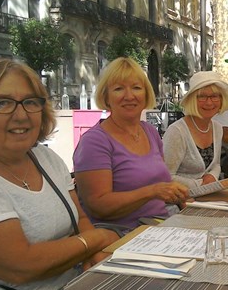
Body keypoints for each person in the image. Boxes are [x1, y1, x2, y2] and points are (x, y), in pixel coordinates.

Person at [0, 59, 174, 290]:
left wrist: (93, 251)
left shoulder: (45, 158)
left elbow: (79, 215)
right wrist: (97, 239)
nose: (21, 115)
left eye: (31, 102)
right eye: (3, 103)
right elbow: (20, 265)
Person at [73, 57, 189, 231]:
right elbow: (98, 206)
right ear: (106, 96)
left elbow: (163, 185)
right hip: (121, 235)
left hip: (160, 225)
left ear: (146, 94)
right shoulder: (94, 142)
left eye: (136, 88)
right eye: (119, 89)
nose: (129, 96)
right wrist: (152, 191)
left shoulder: (149, 131)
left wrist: (184, 202)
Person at [163, 71, 228, 188]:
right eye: (202, 96)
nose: (209, 102)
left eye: (214, 96)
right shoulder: (177, 131)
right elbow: (165, 177)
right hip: (177, 201)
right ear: (192, 100)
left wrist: (212, 176)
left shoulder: (217, 128)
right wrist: (199, 184)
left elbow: (216, 164)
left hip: (206, 196)